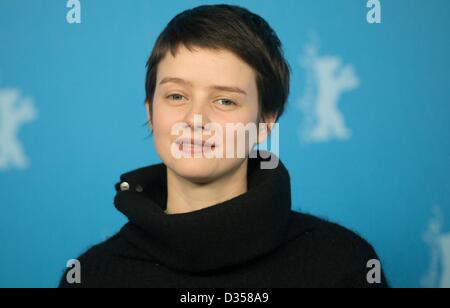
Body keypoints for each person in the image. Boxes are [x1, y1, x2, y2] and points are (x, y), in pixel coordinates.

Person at [60, 4, 388, 288]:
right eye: (176, 96)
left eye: (225, 100)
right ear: (150, 111)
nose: (196, 118)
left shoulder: (343, 265)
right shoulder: (92, 276)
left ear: (265, 122)